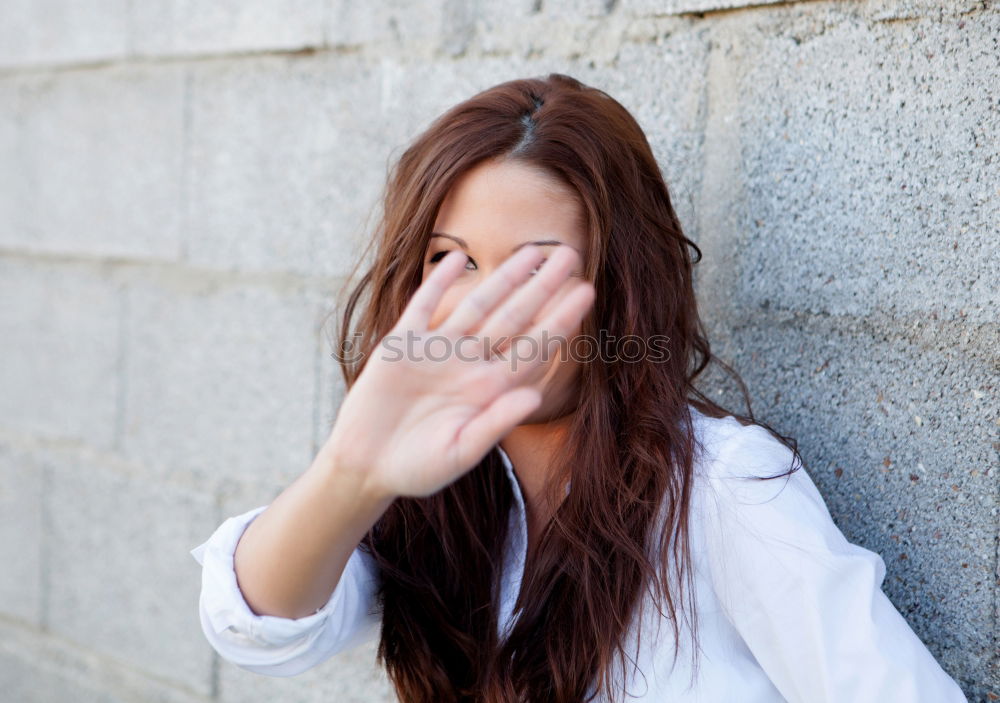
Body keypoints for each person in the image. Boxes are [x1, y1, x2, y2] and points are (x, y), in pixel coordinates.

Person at [189, 73, 967, 702]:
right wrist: (350, 472)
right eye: (451, 259)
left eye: (535, 269)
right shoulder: (429, 493)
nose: (486, 309)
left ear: (619, 289)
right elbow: (255, 626)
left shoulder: (727, 488)